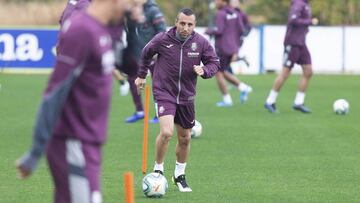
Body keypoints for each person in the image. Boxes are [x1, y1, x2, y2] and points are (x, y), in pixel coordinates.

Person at [15, 0, 128, 202]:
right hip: (72, 142)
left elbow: (128, 59)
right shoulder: (82, 30)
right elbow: (54, 93)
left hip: (89, 142)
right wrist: (35, 152)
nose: (131, 6)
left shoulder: (103, 29)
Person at [135, 8, 219, 192]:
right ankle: (158, 171)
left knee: (185, 138)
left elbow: (214, 62)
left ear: (194, 25)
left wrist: (205, 71)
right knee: (166, 132)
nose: (185, 28)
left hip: (187, 96)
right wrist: (141, 75)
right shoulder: (162, 39)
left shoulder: (201, 43)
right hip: (164, 92)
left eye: (190, 24)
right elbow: (146, 53)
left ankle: (179, 175)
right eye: (182, 23)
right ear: (176, 22)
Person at [264, 0, 318, 113]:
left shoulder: (305, 4)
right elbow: (293, 19)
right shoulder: (298, 3)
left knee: (308, 71)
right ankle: (269, 101)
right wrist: (309, 21)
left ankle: (298, 102)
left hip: (301, 43)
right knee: (285, 73)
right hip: (292, 43)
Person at [121, 0, 166, 123]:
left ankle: (159, 113)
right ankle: (139, 111)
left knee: (158, 83)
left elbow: (162, 31)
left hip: (152, 54)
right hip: (135, 54)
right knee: (132, 79)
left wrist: (158, 50)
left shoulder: (153, 10)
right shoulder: (130, 11)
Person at [206, 0, 253, 107]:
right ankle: (243, 88)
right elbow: (242, 30)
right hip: (232, 48)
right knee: (223, 71)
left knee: (217, 72)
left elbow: (219, 30)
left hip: (222, 48)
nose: (215, 2)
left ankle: (227, 100)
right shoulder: (236, 14)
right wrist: (235, 46)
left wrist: (208, 31)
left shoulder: (221, 14)